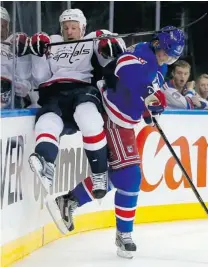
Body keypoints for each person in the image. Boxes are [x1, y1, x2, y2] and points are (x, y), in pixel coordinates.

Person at [46, 26, 185, 259]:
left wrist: (148, 110)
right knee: (131, 177)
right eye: (167, 53)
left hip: (125, 121)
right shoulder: (142, 53)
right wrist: (147, 94)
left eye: (174, 57)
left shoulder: (160, 64)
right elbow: (124, 70)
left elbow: (146, 97)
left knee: (123, 176)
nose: (168, 60)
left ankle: (70, 200)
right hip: (112, 115)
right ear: (157, 44)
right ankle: (122, 233)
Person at [28, 9, 126, 199]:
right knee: (47, 121)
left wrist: (110, 45)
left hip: (83, 89)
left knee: (88, 117)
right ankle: (46, 163)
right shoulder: (52, 42)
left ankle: (99, 173)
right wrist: (38, 54)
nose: (69, 31)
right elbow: (39, 78)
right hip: (54, 91)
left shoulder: (93, 38)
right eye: (66, 28)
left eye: (74, 27)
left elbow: (111, 54)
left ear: (82, 28)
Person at [0, 6, 31, 109]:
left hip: (9, 93)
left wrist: (23, 85)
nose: (0, 30)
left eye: (3, 26)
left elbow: (24, 78)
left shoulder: (15, 45)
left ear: (8, 27)